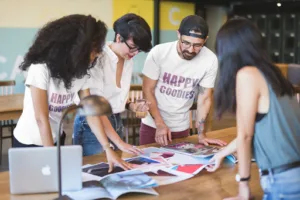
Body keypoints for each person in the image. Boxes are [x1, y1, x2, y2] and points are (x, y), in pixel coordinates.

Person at [13, 14, 131, 171]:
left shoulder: (81, 72)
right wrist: (51, 158)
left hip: (55, 138)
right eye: (94, 49)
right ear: (76, 48)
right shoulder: (40, 68)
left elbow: (91, 113)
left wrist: (108, 148)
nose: (98, 54)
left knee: (55, 189)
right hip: (28, 142)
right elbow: (41, 118)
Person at [206, 17, 300, 200]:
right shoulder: (273, 74)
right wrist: (222, 153)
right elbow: (256, 129)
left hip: (282, 180)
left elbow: (246, 135)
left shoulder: (247, 75)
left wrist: (243, 188)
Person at [140, 15, 227, 147]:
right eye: (186, 43)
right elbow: (148, 90)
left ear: (206, 40)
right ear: (178, 34)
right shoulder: (159, 52)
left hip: (181, 127)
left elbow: (204, 98)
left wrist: (201, 133)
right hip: (152, 126)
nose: (191, 50)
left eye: (198, 45)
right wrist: (159, 123)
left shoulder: (210, 60)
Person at [73, 13, 152, 156]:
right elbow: (95, 107)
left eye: (139, 50)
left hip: (115, 120)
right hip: (92, 123)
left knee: (114, 171)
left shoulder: (128, 60)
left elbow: (113, 96)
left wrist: (132, 105)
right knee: (95, 172)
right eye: (133, 47)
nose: (135, 53)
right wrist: (119, 142)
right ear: (118, 38)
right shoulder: (98, 57)